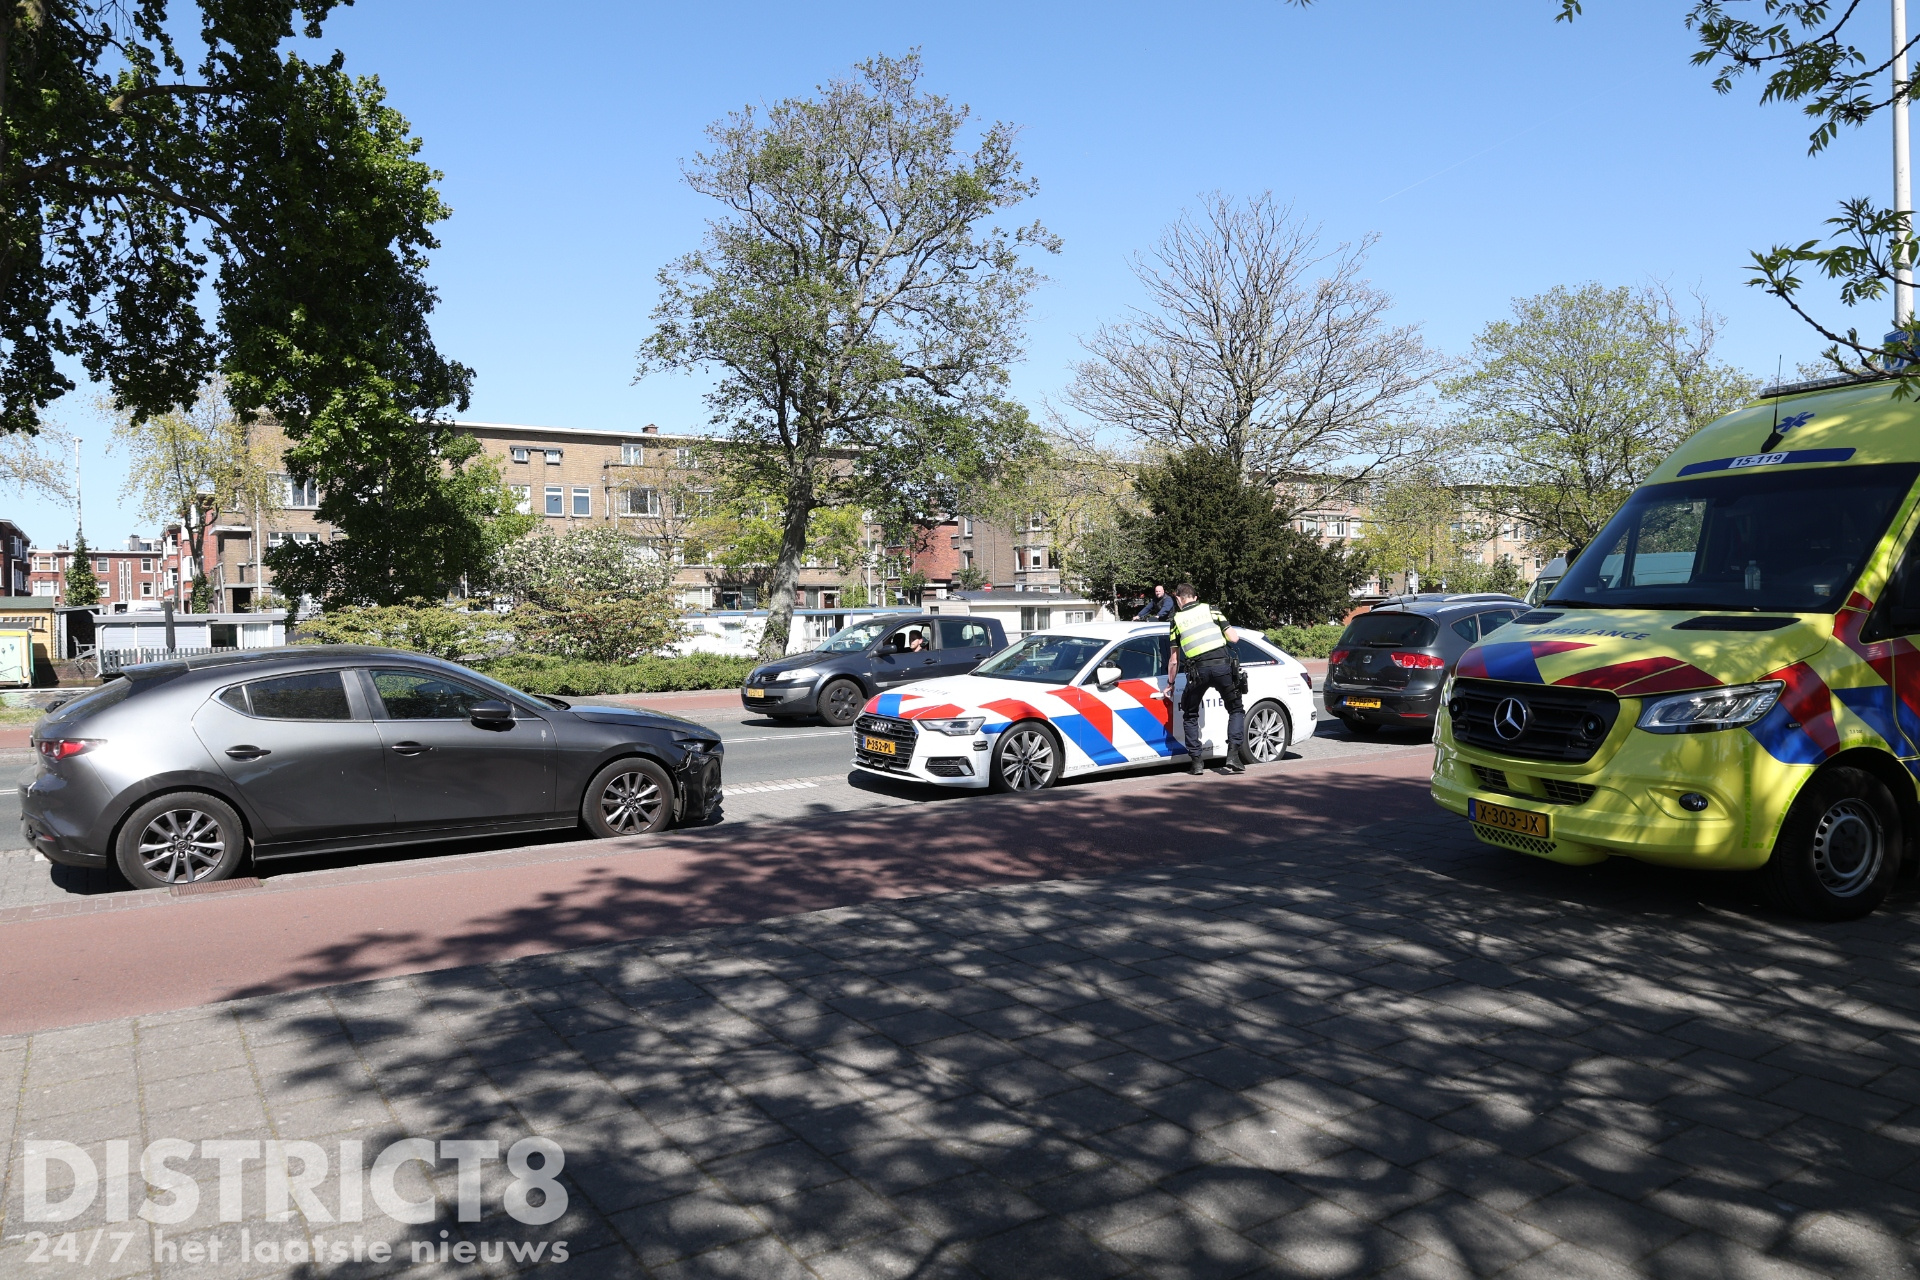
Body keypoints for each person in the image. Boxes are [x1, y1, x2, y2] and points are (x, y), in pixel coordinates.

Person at [1164, 583, 1246, 775]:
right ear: (1195, 597)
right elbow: (1233, 638)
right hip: (1222, 668)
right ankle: (1233, 755)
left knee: (1190, 714)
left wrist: (1170, 683)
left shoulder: (1176, 619)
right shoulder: (1212, 609)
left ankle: (1197, 763)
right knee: (1235, 709)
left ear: (1179, 599)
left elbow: (1174, 660)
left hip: (1197, 672)